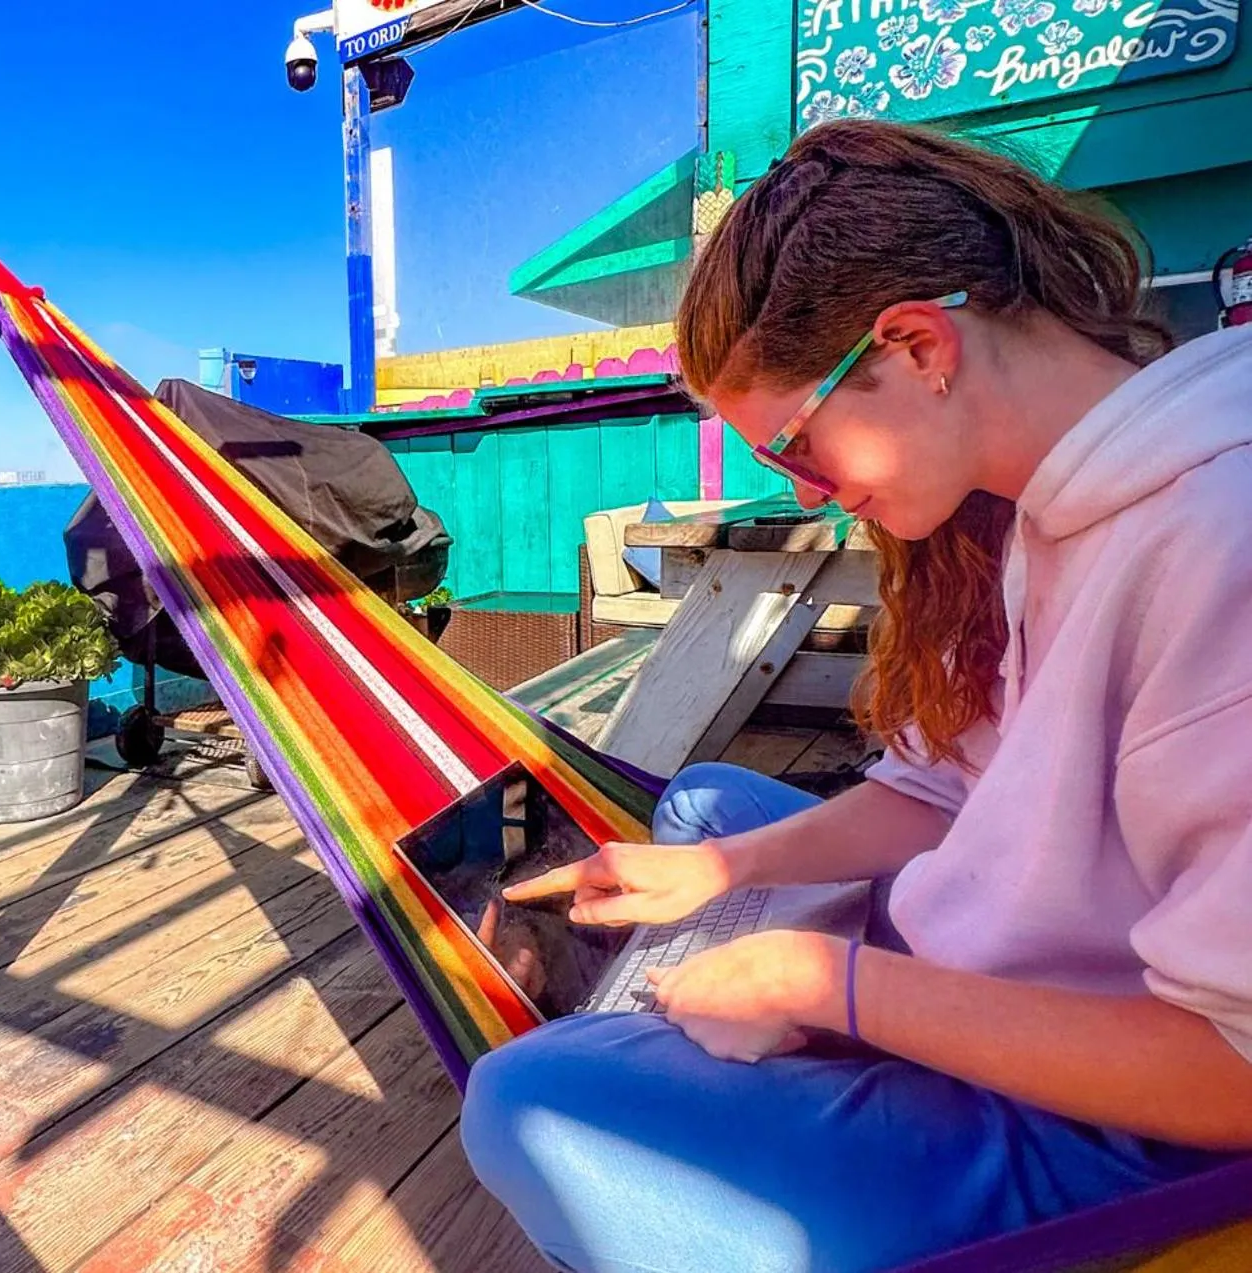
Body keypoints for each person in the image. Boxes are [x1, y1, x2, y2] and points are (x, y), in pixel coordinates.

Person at [458, 118, 1252, 1273]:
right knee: (702, 815)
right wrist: (720, 876)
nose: (816, 496)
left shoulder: (1212, 541)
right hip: (991, 964)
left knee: (524, 1101)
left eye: (797, 445)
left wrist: (828, 984)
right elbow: (948, 785)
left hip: (1123, 1138)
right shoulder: (1049, 504)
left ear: (918, 347)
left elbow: (1229, 1070)